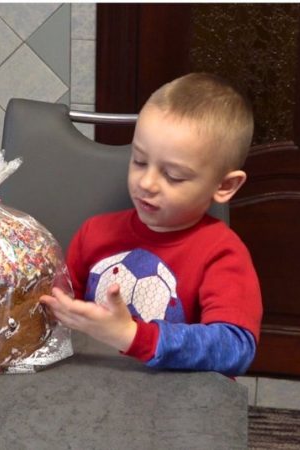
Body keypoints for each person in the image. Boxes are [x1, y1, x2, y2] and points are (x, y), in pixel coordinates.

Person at [40, 73, 262, 376]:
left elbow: (235, 348)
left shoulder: (222, 253)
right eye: (139, 161)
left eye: (173, 175)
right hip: (93, 389)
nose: (146, 182)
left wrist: (131, 336)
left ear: (224, 186)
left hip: (177, 401)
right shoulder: (94, 233)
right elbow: (63, 311)